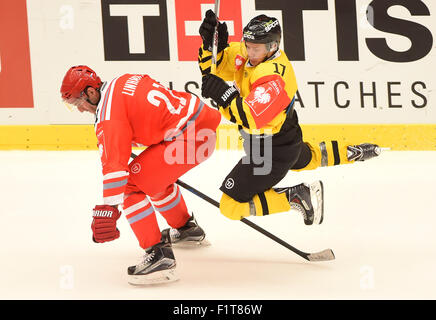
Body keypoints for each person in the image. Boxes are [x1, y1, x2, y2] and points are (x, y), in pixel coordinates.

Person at [198, 11, 381, 222]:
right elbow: (214, 71)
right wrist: (212, 47)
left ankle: (296, 196)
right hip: (285, 136)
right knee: (303, 157)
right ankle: (351, 152)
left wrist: (224, 95)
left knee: (230, 206)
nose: (249, 52)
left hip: (271, 150)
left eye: (254, 48)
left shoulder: (274, 76)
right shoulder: (254, 51)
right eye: (247, 46)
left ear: (272, 46)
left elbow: (250, 117)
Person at [60, 65, 221, 285]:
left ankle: (158, 256)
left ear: (91, 92)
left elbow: (115, 167)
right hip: (199, 121)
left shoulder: (108, 116)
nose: (80, 109)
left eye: (79, 103)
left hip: (189, 139)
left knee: (130, 188)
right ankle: (187, 229)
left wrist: (111, 207)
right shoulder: (122, 80)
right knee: (151, 178)